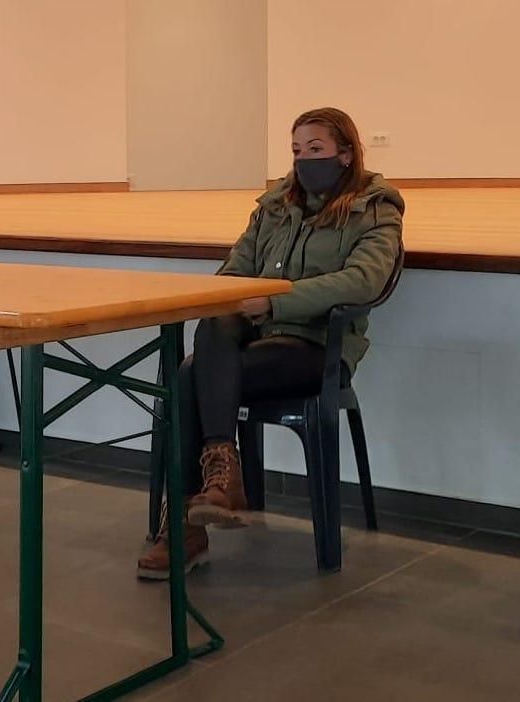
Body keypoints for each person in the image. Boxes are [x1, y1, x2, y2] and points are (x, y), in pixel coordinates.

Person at [136, 107, 404, 580]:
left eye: (315, 149)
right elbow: (234, 271)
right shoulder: (274, 206)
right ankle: (217, 482)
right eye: (297, 150)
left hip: (315, 349)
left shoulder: (375, 209)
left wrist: (277, 302)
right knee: (212, 329)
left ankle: (186, 528)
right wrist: (237, 297)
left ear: (346, 153)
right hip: (254, 341)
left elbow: (364, 280)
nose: (304, 160)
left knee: (189, 373)